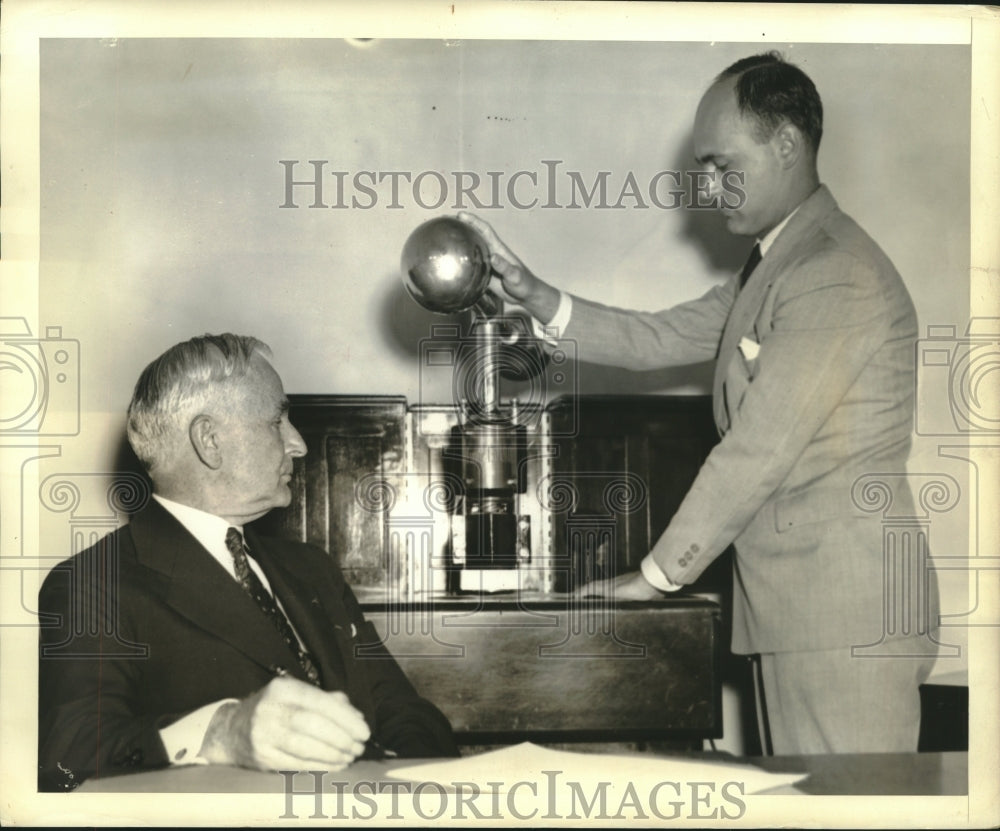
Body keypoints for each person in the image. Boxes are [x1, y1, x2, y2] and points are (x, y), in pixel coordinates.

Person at [459, 52, 938, 755]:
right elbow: (657, 336)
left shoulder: (832, 271)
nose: (708, 188)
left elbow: (758, 449)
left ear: (787, 144)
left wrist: (655, 578)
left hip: (846, 619)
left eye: (722, 165)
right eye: (702, 168)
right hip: (806, 616)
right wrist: (534, 293)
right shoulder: (776, 266)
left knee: (846, 806)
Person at [38, 334, 457, 791]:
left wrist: (404, 795)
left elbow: (407, 713)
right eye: (277, 421)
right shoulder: (93, 583)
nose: (299, 444)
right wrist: (221, 733)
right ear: (209, 441)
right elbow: (67, 758)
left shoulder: (312, 569)